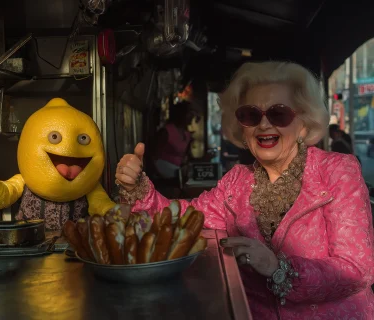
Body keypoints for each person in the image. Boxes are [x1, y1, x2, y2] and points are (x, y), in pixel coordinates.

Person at [115, 61, 374, 319]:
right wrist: (137, 188)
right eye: (251, 115)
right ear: (241, 127)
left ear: (304, 124)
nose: (263, 125)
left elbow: (356, 269)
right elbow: (183, 219)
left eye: (279, 114)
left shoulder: (338, 171)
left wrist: (276, 266)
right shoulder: (236, 182)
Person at [151, 101, 194, 179]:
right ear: (181, 114)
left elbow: (188, 158)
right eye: (189, 113)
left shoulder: (187, 135)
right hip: (163, 174)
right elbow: (153, 157)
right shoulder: (166, 132)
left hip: (178, 174)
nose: (192, 116)